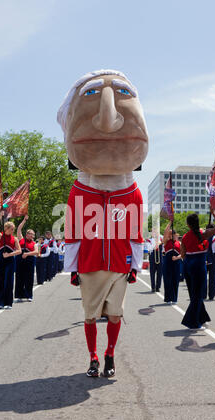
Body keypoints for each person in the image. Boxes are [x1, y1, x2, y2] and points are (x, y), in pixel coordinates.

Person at [58, 69, 148, 378]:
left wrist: (135, 264)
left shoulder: (132, 191)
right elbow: (71, 232)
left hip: (119, 261)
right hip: (91, 262)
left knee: (115, 314)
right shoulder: (80, 191)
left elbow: (137, 233)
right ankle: (93, 357)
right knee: (89, 316)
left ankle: (109, 354)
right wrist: (72, 269)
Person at [181, 210, 215, 330]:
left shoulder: (184, 237)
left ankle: (203, 318)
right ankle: (192, 322)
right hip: (199, 266)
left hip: (188, 265)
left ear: (188, 225)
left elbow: (183, 254)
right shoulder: (204, 234)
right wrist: (214, 213)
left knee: (194, 294)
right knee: (197, 295)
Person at [0, 212, 21, 309]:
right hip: (1, 261)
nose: (13, 231)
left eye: (13, 229)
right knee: (0, 280)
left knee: (9, 281)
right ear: (6, 229)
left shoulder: (15, 239)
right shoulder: (0, 236)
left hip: (10, 261)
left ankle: (8, 303)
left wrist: (9, 254)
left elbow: (19, 251)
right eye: (11, 229)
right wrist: (0, 217)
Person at [14, 215, 38, 302]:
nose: (32, 236)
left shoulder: (34, 243)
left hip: (29, 262)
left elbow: (36, 252)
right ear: (26, 234)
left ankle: (29, 295)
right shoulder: (21, 239)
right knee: (19, 278)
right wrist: (24, 220)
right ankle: (19, 295)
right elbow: (19, 229)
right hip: (20, 261)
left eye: (33, 234)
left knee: (29, 279)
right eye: (30, 234)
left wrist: (27, 254)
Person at [162, 222, 181, 304]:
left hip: (176, 262)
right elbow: (165, 232)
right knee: (167, 280)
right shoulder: (166, 241)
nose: (170, 235)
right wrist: (170, 222)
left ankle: (174, 298)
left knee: (175, 280)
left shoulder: (179, 243)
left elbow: (183, 254)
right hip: (167, 262)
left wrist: (177, 257)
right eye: (169, 234)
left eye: (172, 234)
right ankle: (168, 298)